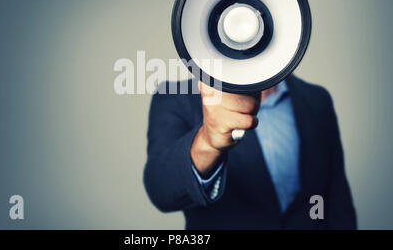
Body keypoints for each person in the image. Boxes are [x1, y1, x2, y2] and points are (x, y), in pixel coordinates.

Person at [143, 75, 356, 229]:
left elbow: (337, 198)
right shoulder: (175, 97)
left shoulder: (317, 99)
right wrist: (207, 142)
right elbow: (161, 188)